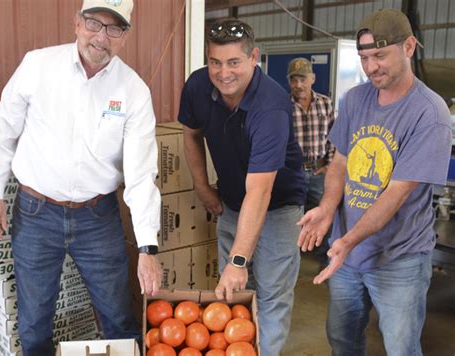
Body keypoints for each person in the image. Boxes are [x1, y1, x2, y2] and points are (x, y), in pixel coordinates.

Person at [0, 0, 162, 354]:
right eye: (95, 24)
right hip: (35, 213)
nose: (101, 38)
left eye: (114, 29)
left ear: (125, 36)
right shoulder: (37, 66)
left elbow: (142, 174)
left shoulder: (134, 91)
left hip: (98, 218)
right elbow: (2, 133)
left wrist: (148, 247)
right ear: (77, 23)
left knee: (118, 318)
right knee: (34, 322)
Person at [297, 8, 452, 356]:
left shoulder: (430, 113)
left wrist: (348, 240)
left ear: (409, 47)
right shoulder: (356, 98)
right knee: (342, 341)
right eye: (364, 57)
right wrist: (326, 207)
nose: (370, 67)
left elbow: (396, 193)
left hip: (400, 259)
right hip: (347, 256)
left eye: (380, 55)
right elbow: (339, 161)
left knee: (401, 348)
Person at [178, 18, 306, 356]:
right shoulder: (197, 86)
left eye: (234, 62)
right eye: (215, 62)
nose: (223, 73)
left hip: (279, 206)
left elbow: (261, 191)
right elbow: (190, 133)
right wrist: (203, 186)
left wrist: (238, 259)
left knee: (270, 293)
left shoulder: (271, 106)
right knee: (232, 291)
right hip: (233, 202)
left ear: (254, 58)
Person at [287, 57, 335, 266]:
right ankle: (290, 267)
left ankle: (327, 264)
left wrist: (330, 165)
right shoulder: (282, 105)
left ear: (312, 79)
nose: (298, 85)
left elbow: (335, 136)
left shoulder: (325, 104)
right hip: (292, 174)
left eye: (303, 79)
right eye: (294, 80)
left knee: (324, 219)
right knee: (290, 221)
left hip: (318, 173)